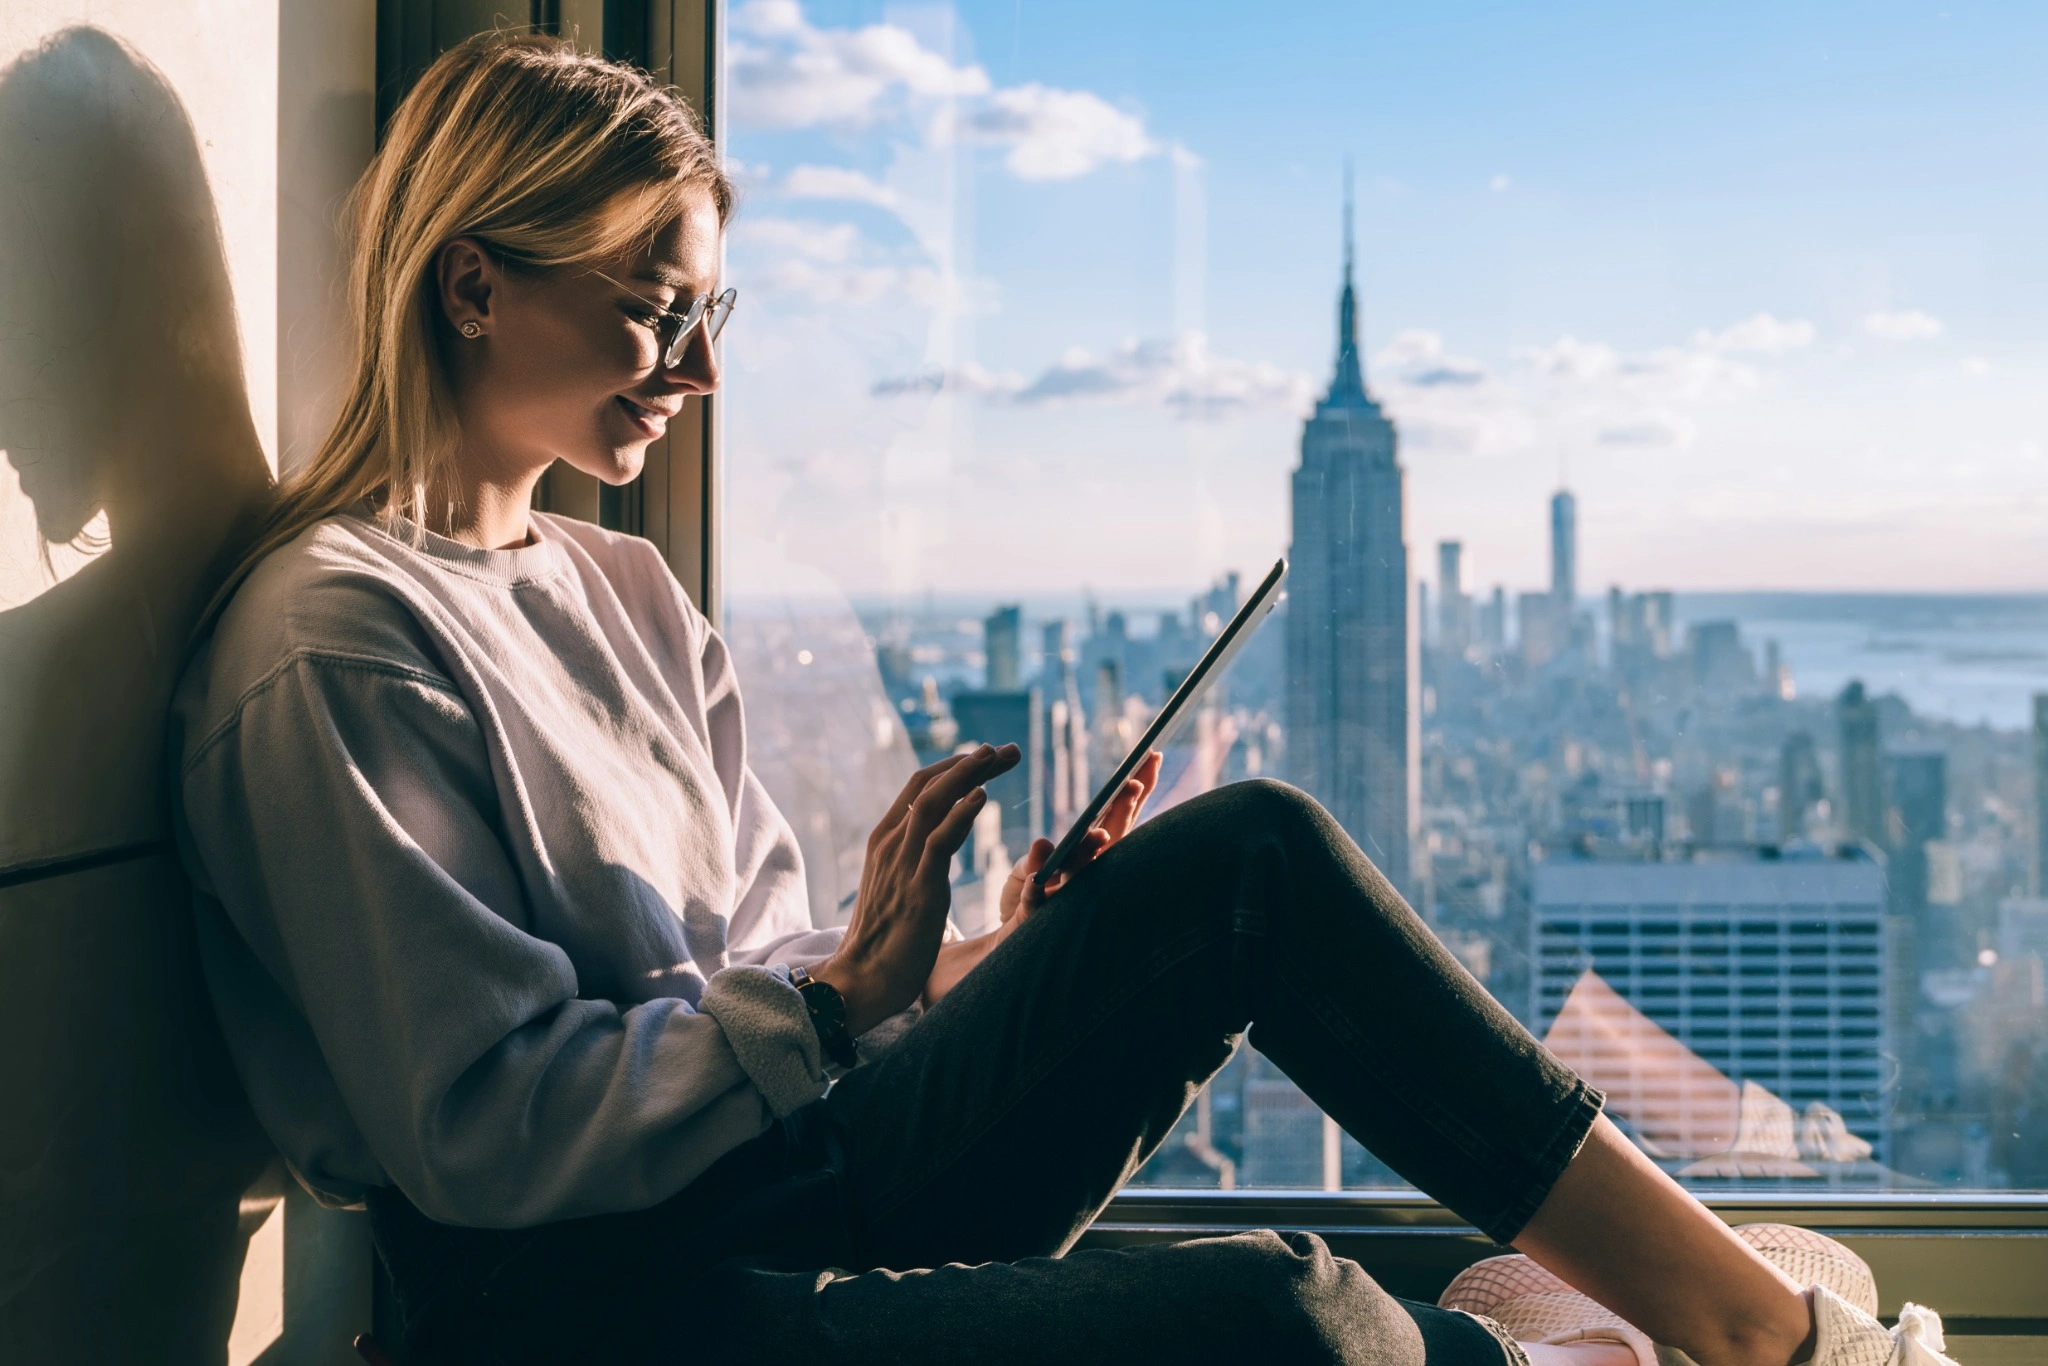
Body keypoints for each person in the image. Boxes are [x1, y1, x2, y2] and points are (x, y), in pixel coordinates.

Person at [171, 34, 1950, 1366]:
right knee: (1298, 1315)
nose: (700, 375)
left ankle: (1741, 1337)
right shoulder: (334, 645)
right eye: (654, 312)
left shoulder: (621, 585)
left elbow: (772, 979)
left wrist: (968, 969)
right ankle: (1590, 1340)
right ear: (472, 280)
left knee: (1243, 864)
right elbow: (481, 1135)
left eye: (716, 315)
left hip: (778, 1177)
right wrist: (843, 999)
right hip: (573, 1298)